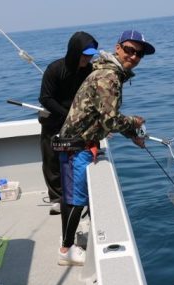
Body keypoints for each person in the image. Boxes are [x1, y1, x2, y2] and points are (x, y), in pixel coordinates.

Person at [55, 30, 155, 266]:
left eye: (139, 54)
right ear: (118, 48)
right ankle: (65, 250)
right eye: (130, 50)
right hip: (75, 147)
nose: (134, 56)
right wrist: (134, 122)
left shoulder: (109, 73)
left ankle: (68, 243)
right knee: (75, 200)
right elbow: (111, 121)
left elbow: (103, 117)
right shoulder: (108, 77)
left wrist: (131, 135)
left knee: (76, 197)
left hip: (83, 144)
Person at [38, 31, 98, 215]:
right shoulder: (54, 69)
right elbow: (45, 98)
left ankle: (79, 196)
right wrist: (66, 114)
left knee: (78, 158)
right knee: (52, 159)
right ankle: (57, 198)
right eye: (84, 55)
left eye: (90, 56)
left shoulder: (90, 70)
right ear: (74, 52)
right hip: (54, 119)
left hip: (79, 122)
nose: (87, 59)